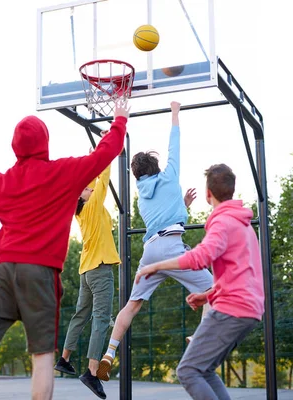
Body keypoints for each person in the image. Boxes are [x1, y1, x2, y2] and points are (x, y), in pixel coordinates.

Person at [0, 101, 130, 400]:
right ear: (45, 143)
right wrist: (120, 119)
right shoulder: (64, 172)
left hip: (3, 271)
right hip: (39, 273)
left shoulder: (3, 181)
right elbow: (106, 152)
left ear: (15, 147)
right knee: (42, 357)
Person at [96, 102, 213, 382]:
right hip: (172, 247)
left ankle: (108, 354)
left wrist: (181, 203)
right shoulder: (170, 175)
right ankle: (198, 340)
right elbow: (175, 144)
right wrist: (174, 111)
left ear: (137, 175)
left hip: (151, 254)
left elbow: (164, 214)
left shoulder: (140, 193)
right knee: (214, 289)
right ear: (157, 166)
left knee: (132, 306)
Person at [135, 163, 265, 400]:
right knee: (203, 370)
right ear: (231, 190)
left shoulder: (222, 223)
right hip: (250, 309)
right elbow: (243, 274)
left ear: (208, 194)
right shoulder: (244, 226)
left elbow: (199, 257)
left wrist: (156, 265)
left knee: (187, 371)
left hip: (231, 310)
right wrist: (207, 295)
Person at [54, 153, 120, 399]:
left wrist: (95, 154)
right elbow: (102, 178)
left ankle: (64, 358)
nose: (88, 188)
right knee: (101, 319)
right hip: (100, 269)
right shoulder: (92, 204)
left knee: (80, 316)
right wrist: (109, 151)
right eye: (84, 188)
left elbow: (93, 178)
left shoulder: (81, 211)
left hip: (86, 270)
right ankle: (92, 372)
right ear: (82, 196)